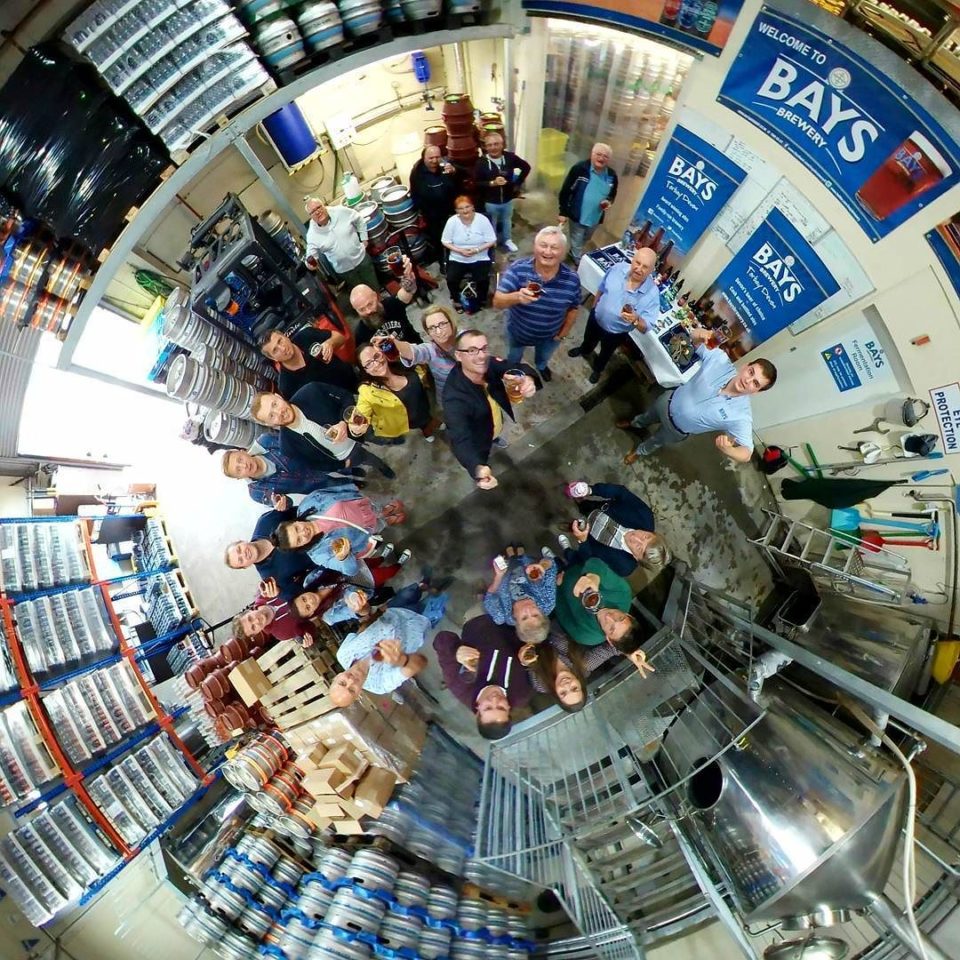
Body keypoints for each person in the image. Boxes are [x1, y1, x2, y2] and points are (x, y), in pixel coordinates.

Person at [618, 328, 778, 464]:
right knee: (647, 416)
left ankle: (639, 451)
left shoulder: (741, 415)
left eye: (755, 383)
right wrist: (700, 334)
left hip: (676, 430)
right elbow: (693, 341)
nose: (748, 380)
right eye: (751, 372)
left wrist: (728, 450)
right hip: (667, 401)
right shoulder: (719, 361)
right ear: (745, 366)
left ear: (757, 391)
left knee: (656, 441)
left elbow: (747, 453)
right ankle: (635, 423)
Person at [442, 329, 539, 490]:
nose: (481, 356)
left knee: (496, 432)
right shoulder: (453, 397)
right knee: (483, 452)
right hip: (478, 437)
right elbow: (459, 439)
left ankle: (496, 437)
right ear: (459, 356)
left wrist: (528, 379)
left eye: (484, 348)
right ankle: (491, 441)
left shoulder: (488, 363)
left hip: (494, 420)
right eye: (472, 351)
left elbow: (516, 367)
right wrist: (477, 469)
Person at [251, 384, 396, 480]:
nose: (279, 412)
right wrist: (341, 465)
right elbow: (313, 465)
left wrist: (343, 422)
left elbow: (346, 397)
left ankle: (392, 439)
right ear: (269, 424)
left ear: (278, 396)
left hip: (357, 427)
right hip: (347, 455)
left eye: (275, 404)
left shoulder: (311, 391)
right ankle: (382, 466)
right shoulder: (287, 447)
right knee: (369, 459)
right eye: (271, 415)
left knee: (378, 436)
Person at [492, 226, 581, 381]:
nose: (547, 252)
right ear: (535, 247)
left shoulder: (572, 279)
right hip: (518, 333)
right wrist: (517, 297)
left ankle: (540, 367)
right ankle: (514, 370)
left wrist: (562, 334)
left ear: (563, 252)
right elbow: (497, 302)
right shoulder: (518, 269)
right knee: (514, 357)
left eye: (554, 247)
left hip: (549, 337)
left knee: (543, 357)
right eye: (543, 245)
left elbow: (573, 308)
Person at [272, 481, 401, 579]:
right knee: (378, 525)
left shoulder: (306, 506)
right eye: (299, 540)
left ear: (295, 521)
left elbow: (330, 491)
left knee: (375, 509)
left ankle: (384, 510)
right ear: (300, 547)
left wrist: (352, 488)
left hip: (361, 504)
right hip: (366, 529)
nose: (303, 532)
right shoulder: (319, 555)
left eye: (296, 528)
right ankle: (386, 521)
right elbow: (351, 571)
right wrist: (343, 558)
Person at [432, 614, 533, 740]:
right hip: (515, 622)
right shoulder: (522, 694)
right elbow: (534, 664)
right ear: (508, 709)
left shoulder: (460, 684)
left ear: (478, 709)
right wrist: (526, 659)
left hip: (481, 619)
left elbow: (440, 639)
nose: (495, 700)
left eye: (488, 707)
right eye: (501, 707)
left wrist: (455, 651)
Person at [569, 247, 658, 384]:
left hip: (616, 333)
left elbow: (647, 326)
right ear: (632, 260)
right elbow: (602, 287)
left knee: (606, 353)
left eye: (645, 267)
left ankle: (598, 369)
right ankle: (584, 349)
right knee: (588, 338)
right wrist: (594, 307)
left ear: (652, 270)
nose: (638, 269)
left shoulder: (652, 294)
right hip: (596, 318)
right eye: (637, 263)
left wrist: (635, 320)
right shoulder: (618, 269)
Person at [561, 481, 671, 577]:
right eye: (646, 536)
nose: (636, 537)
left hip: (589, 536)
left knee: (576, 527)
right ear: (653, 533)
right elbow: (621, 492)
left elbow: (590, 561)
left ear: (637, 558)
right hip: (598, 508)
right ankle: (581, 503)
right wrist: (590, 490)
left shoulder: (623, 567)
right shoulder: (645, 515)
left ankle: (571, 527)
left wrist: (582, 540)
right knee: (585, 507)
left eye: (638, 548)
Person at [330, 607, 430, 706]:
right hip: (418, 625)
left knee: (412, 592)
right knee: (437, 595)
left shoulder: (343, 654)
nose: (351, 681)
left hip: (394, 610)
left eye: (342, 683)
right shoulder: (380, 685)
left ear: (337, 676)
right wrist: (401, 660)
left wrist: (379, 612)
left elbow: (362, 631)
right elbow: (420, 663)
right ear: (358, 694)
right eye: (352, 690)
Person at [221, 437, 351, 507]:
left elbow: (295, 445)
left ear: (242, 451)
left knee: (346, 467)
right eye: (238, 470)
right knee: (345, 486)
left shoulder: (266, 442)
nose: (244, 465)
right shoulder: (256, 491)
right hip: (312, 485)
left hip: (314, 461)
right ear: (239, 478)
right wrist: (283, 504)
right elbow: (285, 502)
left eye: (240, 459)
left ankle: (355, 470)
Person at [225, 502, 316, 600]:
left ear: (241, 541)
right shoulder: (271, 578)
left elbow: (297, 509)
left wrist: (284, 502)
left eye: (239, 549)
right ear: (246, 566)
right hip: (327, 550)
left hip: (318, 520)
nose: (244, 554)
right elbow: (297, 595)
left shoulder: (264, 522)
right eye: (241, 560)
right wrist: (280, 592)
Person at [521, 626, 618, 712]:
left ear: (556, 694)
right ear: (580, 683)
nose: (567, 685)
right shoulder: (584, 666)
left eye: (563, 692)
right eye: (574, 688)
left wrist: (525, 659)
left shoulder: (541, 683)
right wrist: (630, 650)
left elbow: (528, 659)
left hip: (528, 628)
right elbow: (612, 649)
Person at [355, 343, 439, 442]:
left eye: (376, 356)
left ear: (382, 352)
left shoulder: (400, 361)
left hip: (425, 402)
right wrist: (355, 428)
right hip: (410, 419)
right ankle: (426, 432)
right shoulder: (367, 391)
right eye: (369, 364)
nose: (376, 363)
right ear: (365, 371)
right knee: (423, 425)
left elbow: (417, 355)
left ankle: (433, 423)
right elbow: (361, 412)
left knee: (430, 416)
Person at [554, 556, 638, 652]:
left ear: (609, 640)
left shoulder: (586, 636)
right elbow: (596, 563)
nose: (609, 617)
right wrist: (594, 576)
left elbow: (563, 614)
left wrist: (557, 588)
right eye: (620, 618)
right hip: (580, 566)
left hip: (559, 583)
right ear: (628, 615)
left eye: (611, 628)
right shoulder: (623, 594)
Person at [558, 143, 619, 263]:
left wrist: (609, 201)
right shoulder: (579, 169)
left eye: (605, 156)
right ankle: (577, 261)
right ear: (592, 154)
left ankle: (574, 252)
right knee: (577, 240)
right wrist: (563, 212)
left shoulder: (612, 175)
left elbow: (613, 193)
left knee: (586, 238)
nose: (601, 158)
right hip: (577, 215)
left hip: (595, 218)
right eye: (598, 154)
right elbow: (566, 190)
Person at [472, 132, 530, 253]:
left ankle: (507, 240)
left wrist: (517, 184)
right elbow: (476, 183)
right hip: (490, 201)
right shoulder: (481, 163)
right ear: (486, 147)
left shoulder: (510, 158)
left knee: (507, 220)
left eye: (496, 144)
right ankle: (491, 242)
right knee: (491, 223)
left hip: (507, 199)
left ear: (502, 144)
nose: (493, 147)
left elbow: (526, 167)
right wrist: (492, 183)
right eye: (490, 145)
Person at [260, 326, 357, 398]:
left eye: (280, 341)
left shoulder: (306, 335)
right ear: (274, 359)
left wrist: (330, 343)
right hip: (342, 405)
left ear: (285, 336)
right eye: (275, 350)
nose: (283, 348)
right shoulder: (286, 385)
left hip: (355, 380)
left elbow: (341, 337)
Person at [304, 198, 379, 291]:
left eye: (318, 207)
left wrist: (364, 238)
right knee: (360, 295)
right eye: (313, 211)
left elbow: (359, 219)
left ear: (324, 206)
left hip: (362, 260)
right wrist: (309, 265)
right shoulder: (312, 235)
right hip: (345, 272)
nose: (317, 212)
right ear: (310, 216)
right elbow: (310, 256)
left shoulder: (340, 211)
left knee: (375, 288)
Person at [483, 544, 557, 635]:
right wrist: (542, 566)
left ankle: (512, 556)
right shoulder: (548, 602)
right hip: (527, 566)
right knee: (521, 556)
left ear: (516, 621)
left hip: (504, 574)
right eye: (535, 615)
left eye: (524, 617)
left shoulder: (500, 616)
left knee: (504, 557)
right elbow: (551, 566)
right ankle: (520, 555)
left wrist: (499, 576)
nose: (528, 610)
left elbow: (490, 595)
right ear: (543, 615)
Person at [349, 257, 422, 348]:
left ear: (375, 296)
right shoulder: (361, 333)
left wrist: (407, 275)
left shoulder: (391, 304)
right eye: (362, 309)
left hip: (416, 350)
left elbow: (408, 290)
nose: (368, 311)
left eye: (370, 304)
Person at [393, 306, 458, 407]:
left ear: (451, 323)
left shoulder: (465, 338)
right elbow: (413, 352)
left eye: (442, 324)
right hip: (452, 401)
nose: (438, 332)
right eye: (432, 328)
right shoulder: (430, 350)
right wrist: (393, 342)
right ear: (428, 332)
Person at [441, 195, 497, 310]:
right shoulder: (452, 222)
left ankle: (481, 300)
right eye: (461, 208)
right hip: (458, 257)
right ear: (456, 211)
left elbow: (492, 240)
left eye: (467, 207)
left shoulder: (482, 220)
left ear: (473, 207)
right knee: (451, 279)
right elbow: (445, 241)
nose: (465, 210)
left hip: (479, 256)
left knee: (482, 279)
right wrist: (460, 250)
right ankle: (456, 300)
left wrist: (477, 250)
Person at [409, 145, 459, 269]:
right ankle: (443, 260)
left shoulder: (446, 165)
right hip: (431, 213)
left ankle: (457, 256)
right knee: (438, 238)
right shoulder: (417, 173)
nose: (434, 161)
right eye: (431, 158)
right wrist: (420, 211)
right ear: (424, 157)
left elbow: (460, 179)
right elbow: (415, 193)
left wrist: (454, 171)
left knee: (454, 233)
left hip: (449, 209)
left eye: (437, 157)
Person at [232, 598, 313, 647]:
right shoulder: (282, 634)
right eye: (253, 627)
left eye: (250, 618)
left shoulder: (265, 592)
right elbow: (310, 627)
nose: (256, 621)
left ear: (249, 611)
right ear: (257, 632)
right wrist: (308, 638)